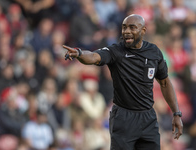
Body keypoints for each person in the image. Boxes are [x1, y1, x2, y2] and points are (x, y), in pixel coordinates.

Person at [62, 14, 183, 150]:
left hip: (148, 118)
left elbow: (165, 83)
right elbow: (94, 57)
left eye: (132, 27)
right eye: (124, 27)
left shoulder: (154, 52)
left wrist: (176, 113)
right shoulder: (116, 51)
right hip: (123, 118)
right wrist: (79, 53)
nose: (126, 31)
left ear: (143, 30)